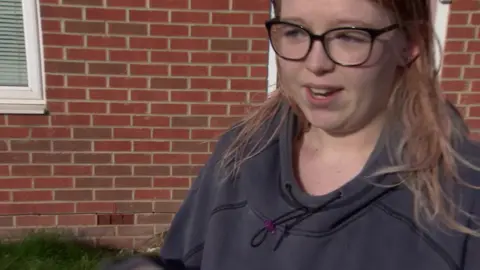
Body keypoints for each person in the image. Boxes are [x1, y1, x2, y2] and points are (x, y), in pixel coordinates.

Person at [99, 0, 480, 269]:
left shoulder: (465, 198)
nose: (315, 63)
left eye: (349, 35)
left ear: (409, 44)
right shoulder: (241, 153)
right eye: (296, 31)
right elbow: (181, 259)